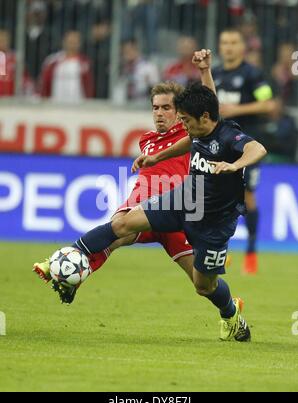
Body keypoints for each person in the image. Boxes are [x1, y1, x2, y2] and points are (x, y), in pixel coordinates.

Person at [33, 50, 267, 341]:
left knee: (203, 285)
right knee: (121, 225)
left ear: (202, 117)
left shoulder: (228, 136)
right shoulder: (193, 130)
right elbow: (195, 127)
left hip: (213, 221)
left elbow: (257, 149)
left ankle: (231, 314)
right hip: (184, 200)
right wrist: (156, 159)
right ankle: (66, 257)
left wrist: (234, 165)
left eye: (180, 117)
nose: (179, 123)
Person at [212, 28, 275, 275]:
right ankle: (220, 251)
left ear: (242, 47)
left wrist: (235, 110)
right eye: (224, 42)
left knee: (247, 196)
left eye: (233, 42)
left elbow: (268, 103)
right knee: (216, 196)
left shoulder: (253, 74)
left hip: (247, 145)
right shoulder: (214, 73)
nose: (228, 47)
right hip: (219, 144)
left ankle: (250, 251)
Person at [39, 30, 94, 103]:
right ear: (64, 42)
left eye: (75, 42)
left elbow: (89, 86)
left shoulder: (85, 63)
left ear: (79, 44)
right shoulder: (52, 61)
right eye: (70, 42)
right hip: (55, 103)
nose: (72, 45)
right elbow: (44, 82)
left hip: (78, 104)